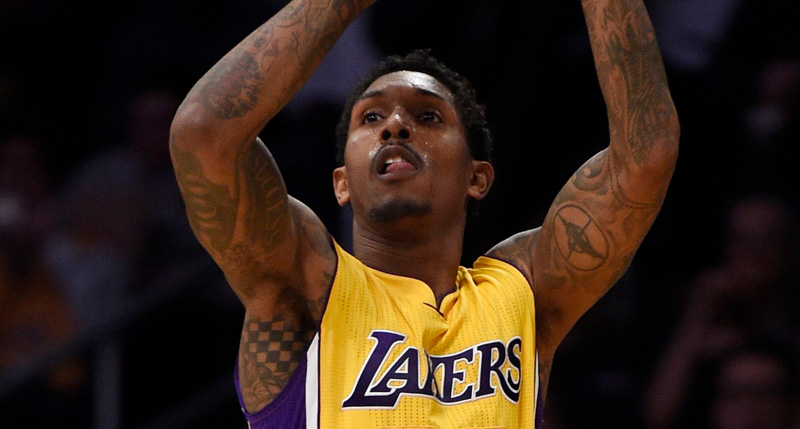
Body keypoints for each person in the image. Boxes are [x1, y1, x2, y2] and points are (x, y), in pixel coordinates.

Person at [169, 0, 679, 427]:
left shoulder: (526, 289)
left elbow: (646, 157)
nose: (394, 125)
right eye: (372, 116)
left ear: (477, 178)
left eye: (428, 116)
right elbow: (202, 133)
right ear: (341, 183)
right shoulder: (305, 285)